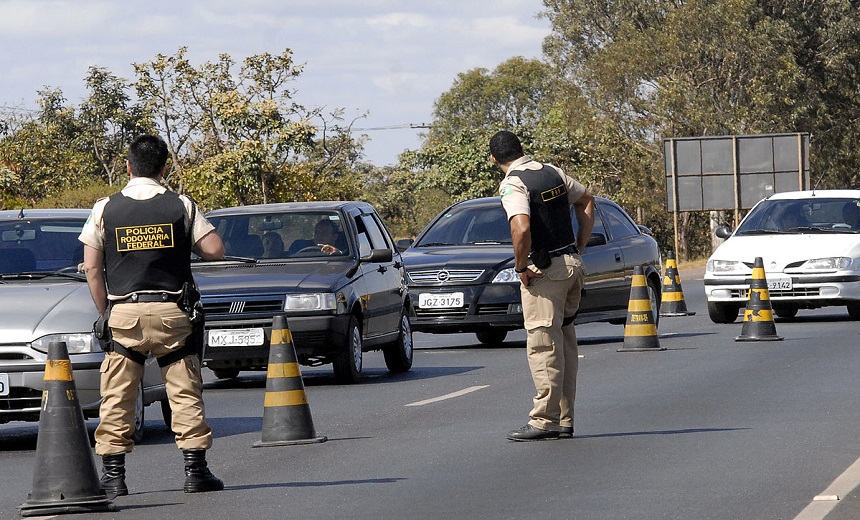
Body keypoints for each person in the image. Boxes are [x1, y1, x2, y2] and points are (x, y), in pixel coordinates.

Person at [78, 134, 226, 498]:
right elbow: (215, 251)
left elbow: (93, 270)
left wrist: (106, 313)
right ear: (163, 169)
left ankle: (114, 477)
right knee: (184, 392)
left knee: (117, 396)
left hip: (124, 313)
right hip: (172, 312)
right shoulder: (181, 205)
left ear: (127, 166)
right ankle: (196, 472)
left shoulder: (105, 208)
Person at [491, 130, 594, 441]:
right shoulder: (553, 172)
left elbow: (520, 227)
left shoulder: (513, 183)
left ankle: (543, 421)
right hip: (572, 266)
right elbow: (587, 200)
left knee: (543, 346)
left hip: (545, 273)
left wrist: (521, 267)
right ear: (522, 150)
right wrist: (579, 247)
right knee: (564, 344)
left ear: (494, 160)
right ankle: (565, 418)